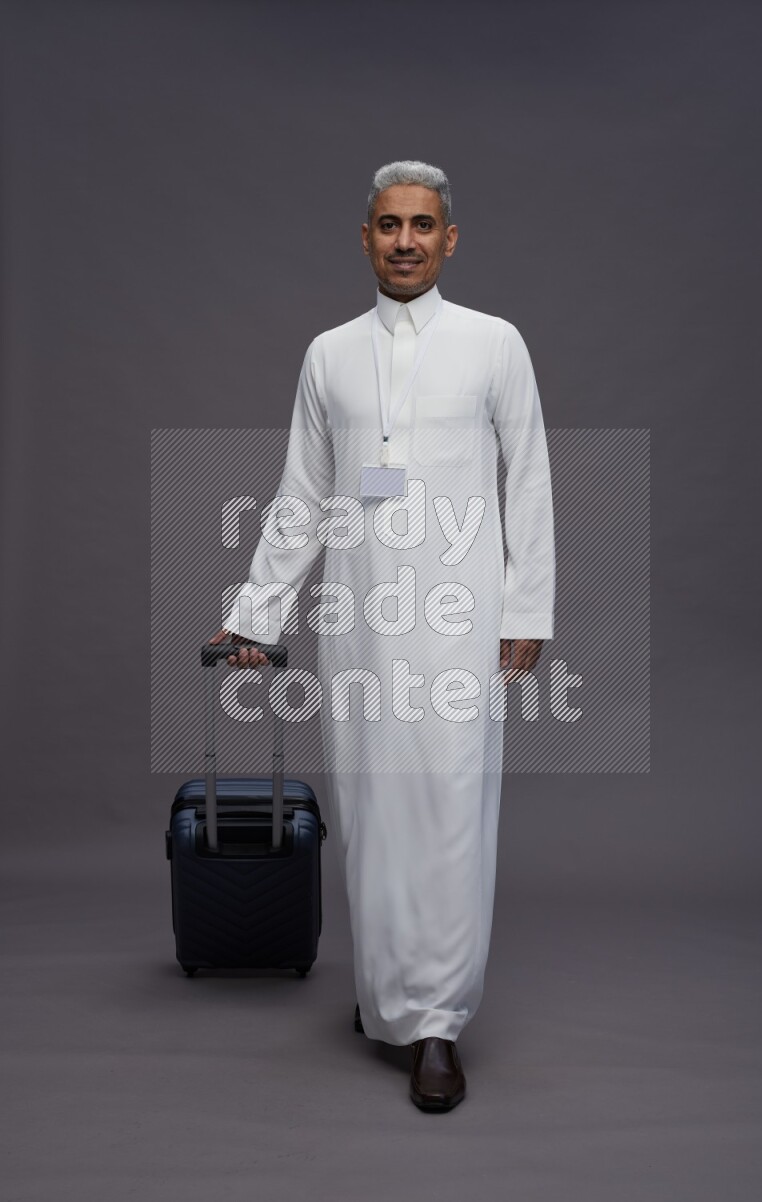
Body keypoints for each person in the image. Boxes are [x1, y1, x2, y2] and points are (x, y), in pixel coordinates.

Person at [209, 160, 555, 1112]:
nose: (406, 241)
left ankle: (436, 1022)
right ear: (365, 238)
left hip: (458, 615)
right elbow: (304, 492)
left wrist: (528, 609)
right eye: (390, 225)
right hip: (359, 614)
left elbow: (528, 476)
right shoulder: (329, 355)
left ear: (450, 239)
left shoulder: (494, 344)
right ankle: (384, 995)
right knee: (369, 812)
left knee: (447, 807)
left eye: (423, 225)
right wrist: (256, 611)